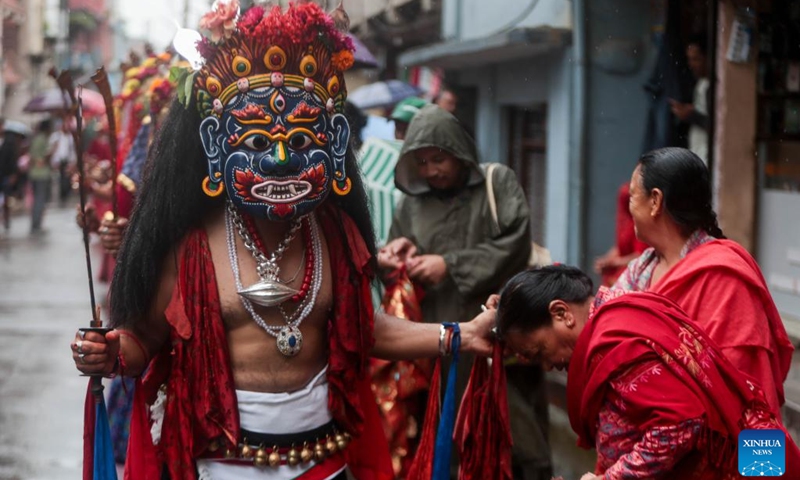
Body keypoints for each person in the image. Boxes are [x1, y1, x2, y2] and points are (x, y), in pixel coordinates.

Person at [71, 3, 493, 479]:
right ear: (215, 144)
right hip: (219, 464)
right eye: (253, 143)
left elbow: (365, 330)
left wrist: (458, 335)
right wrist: (110, 352)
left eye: (300, 141)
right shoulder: (191, 245)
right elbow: (145, 339)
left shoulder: (336, 234)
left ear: (334, 143)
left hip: (321, 460)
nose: (278, 159)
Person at [496, 265, 800, 479]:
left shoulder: (615, 344)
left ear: (562, 313)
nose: (548, 365)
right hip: (743, 440)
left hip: (737, 459)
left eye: (539, 352)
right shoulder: (622, 306)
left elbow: (681, 421)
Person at [378, 104, 551, 479]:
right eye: (421, 162)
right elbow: (397, 249)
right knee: (445, 430)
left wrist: (449, 264)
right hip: (438, 340)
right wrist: (400, 252)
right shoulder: (412, 203)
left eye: (439, 158)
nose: (431, 170)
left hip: (499, 335)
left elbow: (515, 244)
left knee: (516, 433)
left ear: (458, 151)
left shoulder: (497, 182)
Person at [613, 147, 794, 418]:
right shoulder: (640, 271)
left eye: (633, 198)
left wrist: (761, 462)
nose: (628, 207)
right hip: (650, 447)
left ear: (655, 201)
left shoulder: (725, 278)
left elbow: (756, 394)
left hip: (715, 448)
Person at [593, 182, 648, 286]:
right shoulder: (625, 222)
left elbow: (641, 255)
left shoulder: (639, 223)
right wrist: (606, 260)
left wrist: (614, 263)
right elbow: (620, 247)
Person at [669, 35, 709, 164]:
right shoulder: (701, 83)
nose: (691, 64)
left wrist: (692, 116)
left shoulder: (712, 87)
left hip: (707, 156)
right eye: (689, 60)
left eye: (696, 59)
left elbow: (718, 126)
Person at [28, 119, 53, 234]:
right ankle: (36, 224)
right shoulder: (43, 139)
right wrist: (52, 151)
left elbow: (32, 156)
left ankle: (35, 223)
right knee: (40, 199)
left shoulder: (35, 138)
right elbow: (45, 158)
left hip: (34, 173)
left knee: (37, 199)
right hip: (41, 174)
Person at [49, 118, 76, 205]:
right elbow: (52, 150)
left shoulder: (70, 137)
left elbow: (72, 150)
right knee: (59, 180)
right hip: (58, 161)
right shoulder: (55, 137)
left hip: (66, 160)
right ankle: (60, 197)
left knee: (66, 180)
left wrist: (72, 161)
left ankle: (65, 196)